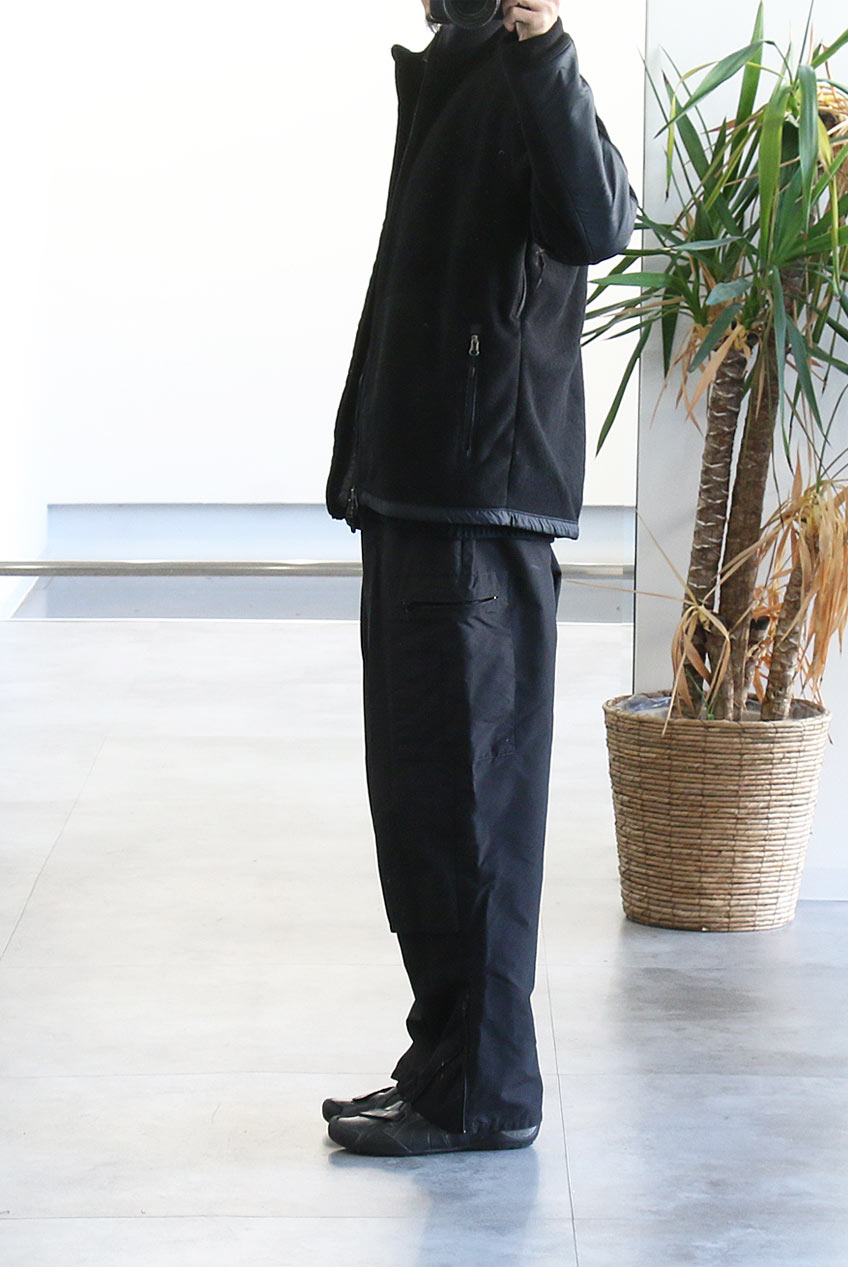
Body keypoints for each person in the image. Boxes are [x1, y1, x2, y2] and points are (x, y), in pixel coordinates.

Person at [322, 0, 637, 1157]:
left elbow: (596, 219)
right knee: (423, 817)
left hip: (473, 509)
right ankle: (446, 1064)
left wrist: (544, 45)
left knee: (472, 815)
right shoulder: (455, 73)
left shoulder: (524, 72)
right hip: (417, 497)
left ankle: (486, 1090)